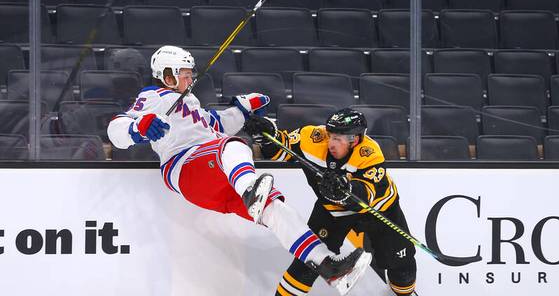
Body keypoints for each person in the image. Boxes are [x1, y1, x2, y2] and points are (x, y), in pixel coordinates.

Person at [107, 46, 371, 295]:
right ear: (168, 76)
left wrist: (243, 109)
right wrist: (138, 128)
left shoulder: (190, 102)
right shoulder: (154, 97)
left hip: (215, 175)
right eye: (184, 75)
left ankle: (329, 267)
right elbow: (116, 129)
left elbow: (216, 124)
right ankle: (249, 190)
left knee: (275, 209)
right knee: (234, 146)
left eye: (190, 74)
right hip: (186, 166)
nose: (190, 80)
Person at [245, 108, 418, 296]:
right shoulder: (312, 137)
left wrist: (346, 189)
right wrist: (267, 135)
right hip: (332, 210)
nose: (331, 143)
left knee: (402, 266)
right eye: (330, 135)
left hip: (378, 210)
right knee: (307, 263)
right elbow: (281, 147)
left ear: (355, 140)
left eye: (338, 138)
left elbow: (367, 195)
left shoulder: (369, 153)